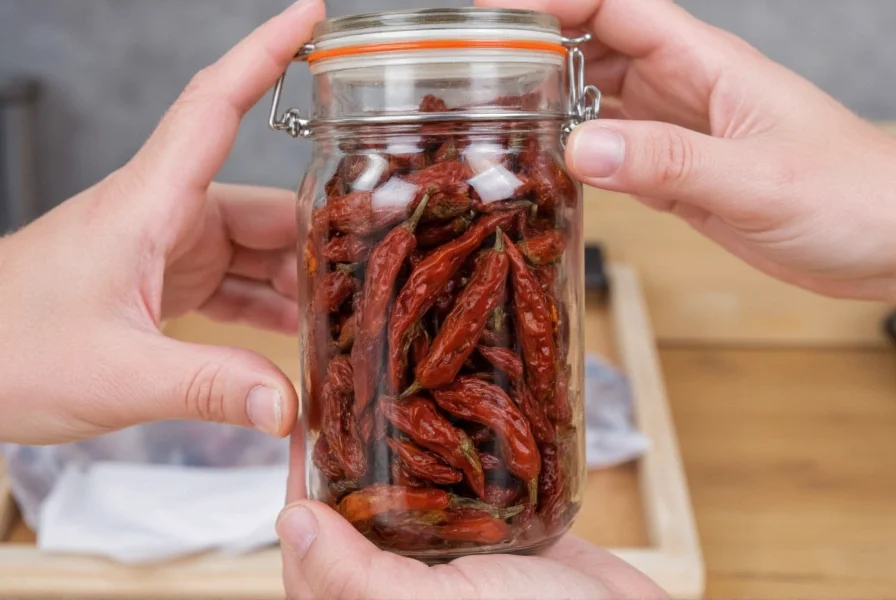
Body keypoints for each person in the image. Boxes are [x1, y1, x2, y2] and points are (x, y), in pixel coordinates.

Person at [0, 0, 893, 597]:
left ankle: (505, 493)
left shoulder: (519, 186)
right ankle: (501, 491)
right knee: (414, 361)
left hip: (490, 490)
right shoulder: (380, 188)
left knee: (450, 352)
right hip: (456, 484)